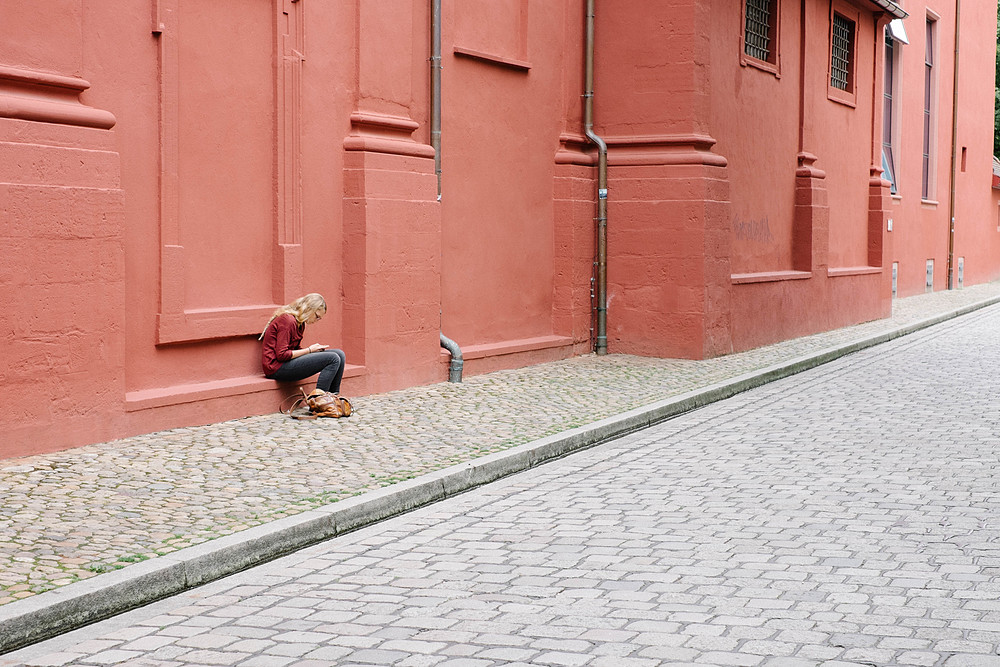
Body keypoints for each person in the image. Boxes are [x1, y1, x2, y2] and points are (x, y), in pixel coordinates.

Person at [259, 293, 346, 397]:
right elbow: (282, 355)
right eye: (317, 316)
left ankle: (333, 398)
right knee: (333, 358)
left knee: (340, 354)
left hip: (287, 363)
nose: (317, 321)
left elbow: (295, 349)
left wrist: (313, 352)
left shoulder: (300, 324)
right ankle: (319, 401)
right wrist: (309, 350)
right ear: (309, 309)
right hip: (275, 368)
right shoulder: (288, 321)